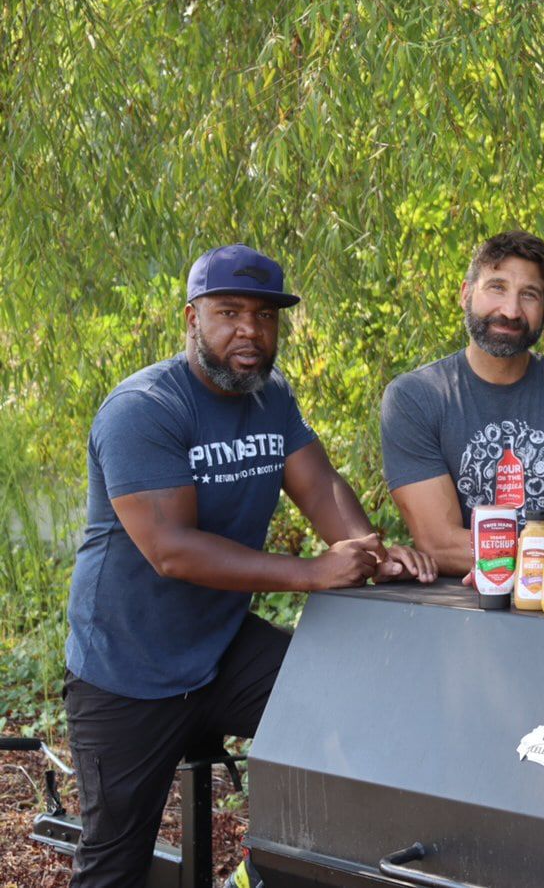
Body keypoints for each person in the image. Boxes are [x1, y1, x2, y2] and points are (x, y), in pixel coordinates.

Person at [63, 243, 432, 888]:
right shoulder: (144, 410)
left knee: (352, 710)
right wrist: (312, 571)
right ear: (191, 318)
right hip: (127, 670)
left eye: (265, 317)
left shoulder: (271, 399)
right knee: (114, 866)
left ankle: (267, 871)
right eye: (229, 312)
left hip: (221, 651)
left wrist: (367, 549)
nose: (249, 332)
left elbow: (318, 486)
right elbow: (171, 549)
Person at [381, 230, 544, 573]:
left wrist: (498, 558)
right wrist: (541, 554)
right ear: (465, 294)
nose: (510, 310)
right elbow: (439, 542)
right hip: (457, 608)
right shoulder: (415, 398)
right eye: (497, 287)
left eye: (529, 295)